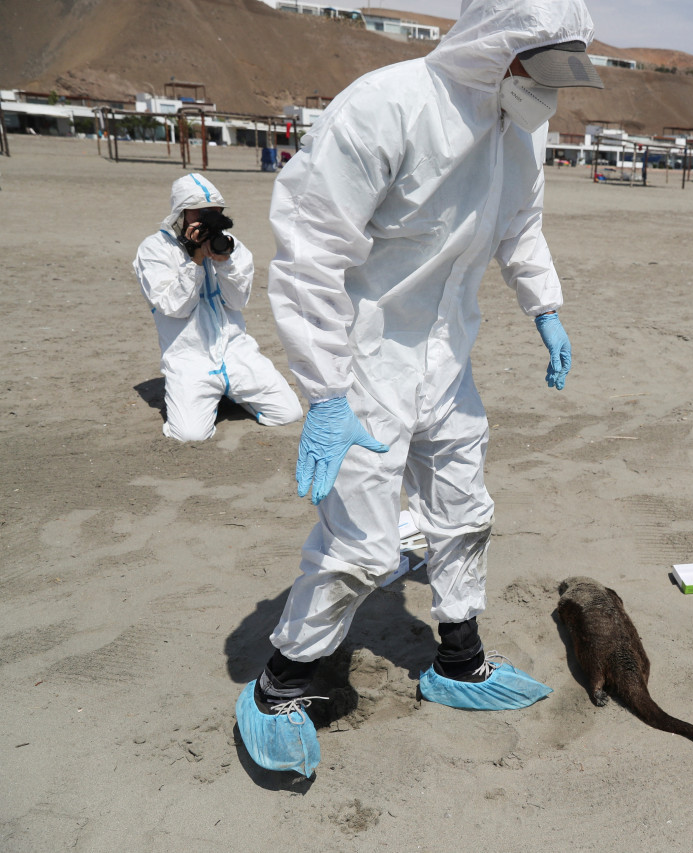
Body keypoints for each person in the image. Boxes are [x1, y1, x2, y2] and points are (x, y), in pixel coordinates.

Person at [235, 0, 605, 778]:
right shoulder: (386, 106)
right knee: (361, 544)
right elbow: (309, 253)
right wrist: (327, 393)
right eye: (538, 66)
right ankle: (282, 683)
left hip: (447, 357)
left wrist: (546, 306)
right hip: (365, 363)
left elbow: (520, 225)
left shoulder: (519, 125)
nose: (547, 89)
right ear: (496, 48)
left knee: (465, 509)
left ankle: (459, 659)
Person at [133, 173, 302, 442]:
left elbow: (237, 302)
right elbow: (175, 307)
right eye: (201, 213)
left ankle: (225, 392)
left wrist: (225, 262)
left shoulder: (231, 246)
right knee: (189, 435)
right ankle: (193, 396)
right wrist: (195, 262)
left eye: (215, 214)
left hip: (236, 351)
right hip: (189, 358)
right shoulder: (155, 250)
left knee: (288, 412)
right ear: (182, 212)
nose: (209, 221)